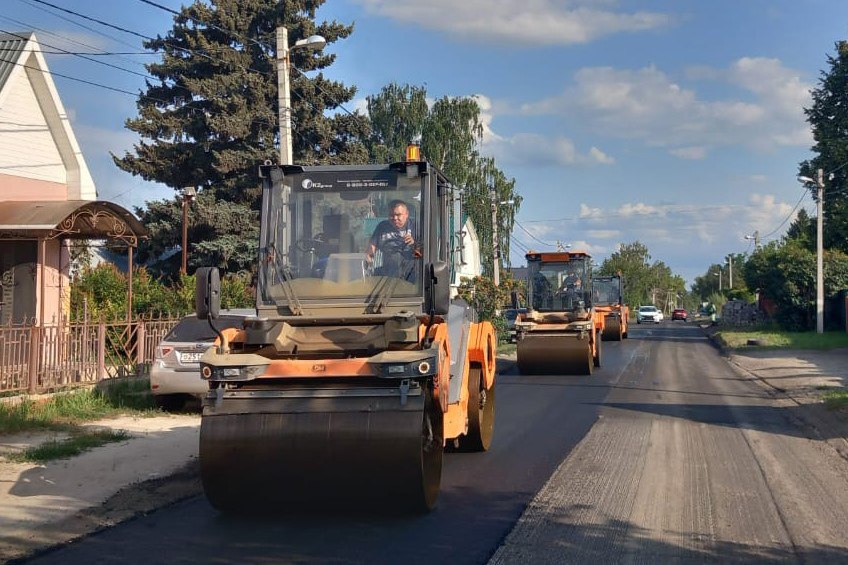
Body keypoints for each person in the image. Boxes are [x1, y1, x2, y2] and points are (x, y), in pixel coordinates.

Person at [366, 200, 419, 279]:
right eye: (391, 215)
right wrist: (368, 259)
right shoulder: (382, 227)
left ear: (406, 214)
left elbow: (423, 255)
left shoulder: (416, 227)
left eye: (398, 215)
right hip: (387, 275)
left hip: (411, 275)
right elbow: (371, 250)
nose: (395, 218)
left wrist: (413, 245)